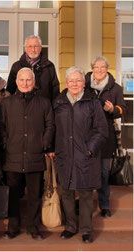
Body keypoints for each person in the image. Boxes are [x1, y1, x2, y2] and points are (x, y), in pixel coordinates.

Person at [53, 66, 108, 243]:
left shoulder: (93, 102)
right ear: (66, 83)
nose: (74, 83)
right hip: (64, 156)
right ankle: (70, 227)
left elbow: (101, 130)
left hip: (86, 156)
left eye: (78, 80)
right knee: (67, 193)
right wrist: (53, 149)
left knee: (85, 194)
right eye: (71, 80)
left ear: (84, 83)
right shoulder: (59, 102)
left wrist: (89, 149)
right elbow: (53, 129)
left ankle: (86, 230)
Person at [0, 68, 55, 241]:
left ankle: (33, 226)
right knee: (13, 194)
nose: (25, 83)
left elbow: (50, 125)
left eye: (28, 80)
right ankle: (13, 226)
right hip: (12, 155)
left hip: (35, 155)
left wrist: (43, 144)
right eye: (22, 80)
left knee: (34, 194)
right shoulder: (6, 103)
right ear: (16, 82)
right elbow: (1, 127)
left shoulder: (44, 103)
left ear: (34, 82)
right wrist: (6, 144)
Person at [85, 56, 126, 218]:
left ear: (107, 69)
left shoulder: (115, 88)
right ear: (92, 68)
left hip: (106, 136)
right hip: (86, 135)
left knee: (103, 172)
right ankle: (84, 205)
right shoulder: (85, 84)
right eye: (96, 67)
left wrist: (113, 110)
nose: (99, 70)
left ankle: (104, 205)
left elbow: (123, 109)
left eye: (103, 67)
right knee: (85, 171)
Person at [6, 35, 60, 102]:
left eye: (36, 46)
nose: (33, 49)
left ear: (40, 48)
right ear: (25, 48)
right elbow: (10, 91)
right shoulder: (16, 66)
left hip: (45, 108)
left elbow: (55, 91)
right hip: (22, 108)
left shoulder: (49, 66)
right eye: (30, 46)